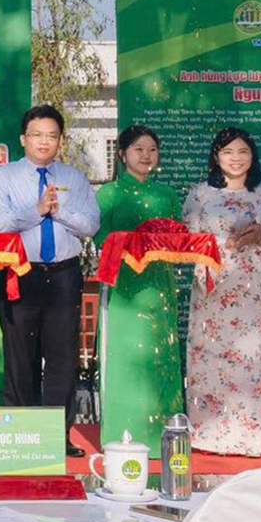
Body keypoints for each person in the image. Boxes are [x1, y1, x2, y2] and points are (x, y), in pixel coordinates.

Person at [0, 105, 99, 457]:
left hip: (64, 274)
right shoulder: (3, 177)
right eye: (37, 135)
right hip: (21, 274)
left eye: (51, 135)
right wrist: (35, 211)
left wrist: (59, 210)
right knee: (20, 357)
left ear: (60, 139)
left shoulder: (75, 179)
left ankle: (56, 436)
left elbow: (91, 225)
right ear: (23, 138)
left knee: (62, 358)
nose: (44, 142)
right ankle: (20, 433)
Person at [183, 127, 261, 456]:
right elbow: (187, 239)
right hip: (213, 284)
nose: (236, 159)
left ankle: (259, 436)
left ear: (252, 157)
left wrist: (260, 238)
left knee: (255, 356)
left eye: (243, 152)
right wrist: (224, 244)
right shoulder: (201, 194)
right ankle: (210, 434)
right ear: (217, 157)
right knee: (211, 356)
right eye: (228, 152)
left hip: (253, 288)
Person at [94, 125, 183, 454]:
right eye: (138, 150)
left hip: (160, 286)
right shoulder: (110, 194)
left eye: (152, 150)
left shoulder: (167, 195)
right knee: (124, 357)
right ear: (122, 155)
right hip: (124, 289)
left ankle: (164, 436)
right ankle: (122, 434)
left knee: (161, 356)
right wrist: (132, 245)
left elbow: (179, 237)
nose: (146, 156)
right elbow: (99, 237)